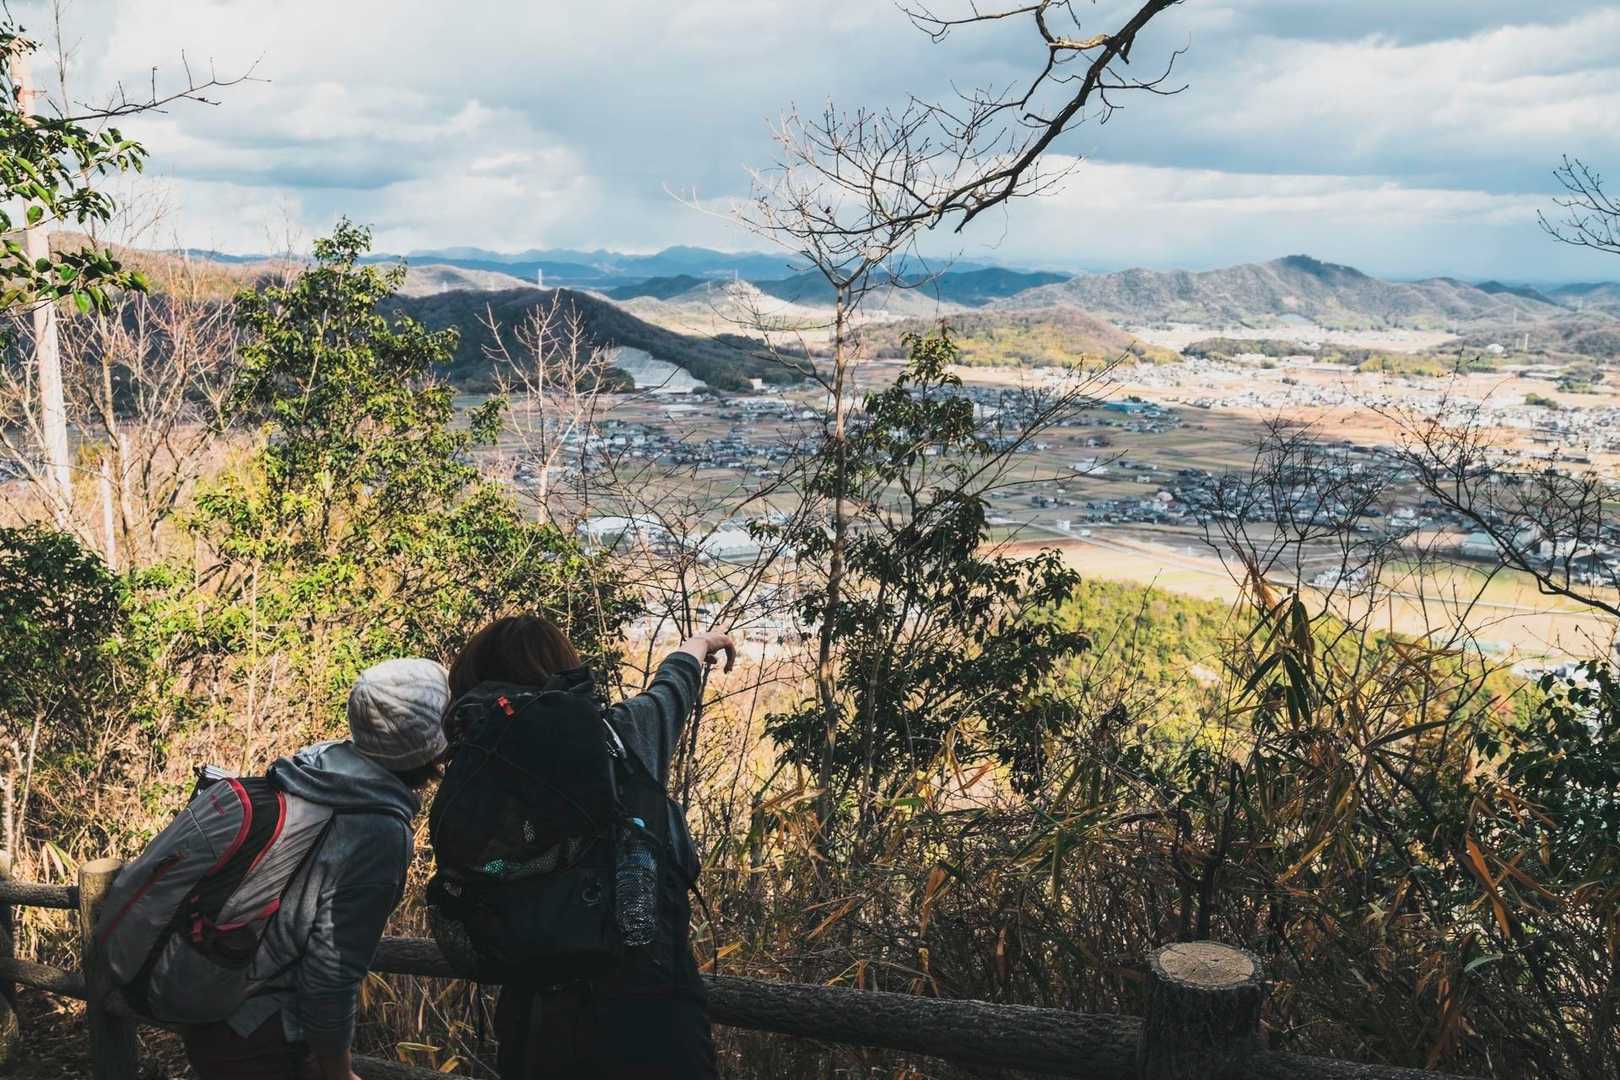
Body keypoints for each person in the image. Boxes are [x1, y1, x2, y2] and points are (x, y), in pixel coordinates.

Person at [442, 614, 734, 1080]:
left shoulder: (476, 763)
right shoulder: (616, 737)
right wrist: (699, 643)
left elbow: (481, 873)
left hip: (532, 1020)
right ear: (563, 668)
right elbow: (670, 691)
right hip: (648, 1014)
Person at [181, 657, 451, 1080]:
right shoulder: (378, 831)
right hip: (260, 1035)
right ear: (432, 743)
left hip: (214, 1004)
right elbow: (331, 969)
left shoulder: (314, 766)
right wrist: (337, 1072)